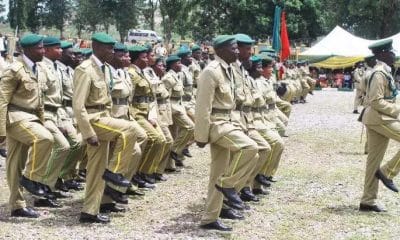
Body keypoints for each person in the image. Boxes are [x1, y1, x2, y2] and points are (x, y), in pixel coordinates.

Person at [73, 32, 139, 223]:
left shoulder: (105, 69)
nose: (111, 51)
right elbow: (78, 106)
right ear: (96, 47)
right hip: (93, 120)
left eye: (112, 48)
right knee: (131, 130)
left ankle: (89, 211)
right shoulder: (85, 69)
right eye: (108, 48)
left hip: (104, 117)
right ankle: (114, 174)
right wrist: (87, 132)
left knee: (95, 168)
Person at [195, 35, 258, 231]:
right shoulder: (210, 72)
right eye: (234, 48)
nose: (238, 51)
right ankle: (227, 184)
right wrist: (200, 136)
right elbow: (202, 107)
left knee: (218, 171)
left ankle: (210, 217)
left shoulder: (229, 69)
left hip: (230, 121)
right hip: (217, 124)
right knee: (251, 148)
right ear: (220, 50)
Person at [0, 34, 54, 218]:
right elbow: (2, 100)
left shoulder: (37, 68)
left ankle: (17, 206)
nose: (43, 50)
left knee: (15, 163)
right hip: (16, 117)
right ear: (28, 50)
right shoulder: (15, 69)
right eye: (40, 48)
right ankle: (31, 178)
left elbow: (39, 101)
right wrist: (0, 130)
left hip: (30, 118)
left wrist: (42, 120)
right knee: (45, 138)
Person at [360, 39, 399, 212]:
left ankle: (368, 201)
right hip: (379, 118)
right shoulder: (378, 73)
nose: (394, 54)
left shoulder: (384, 72)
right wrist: (397, 109)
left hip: (377, 118)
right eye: (390, 51)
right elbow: (376, 101)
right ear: (382, 54)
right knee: (376, 164)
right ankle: (388, 172)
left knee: (373, 161)